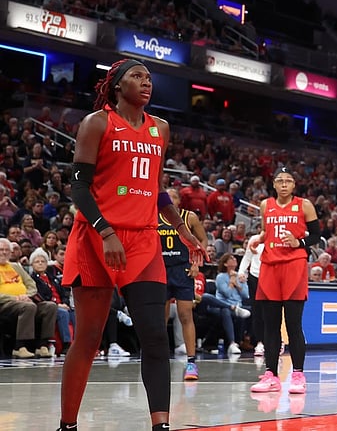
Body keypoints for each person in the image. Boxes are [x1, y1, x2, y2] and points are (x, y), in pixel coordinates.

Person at [58, 58, 204, 431]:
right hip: (96, 237)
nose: (146, 82)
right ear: (117, 85)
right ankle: (68, 425)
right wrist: (106, 232)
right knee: (88, 338)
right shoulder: (97, 123)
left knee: (154, 335)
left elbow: (156, 189)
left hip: (143, 241)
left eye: (149, 78)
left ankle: (161, 425)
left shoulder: (161, 129)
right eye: (136, 76)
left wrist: (182, 229)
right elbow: (79, 187)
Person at [250, 168, 319, 396]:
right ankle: (271, 375)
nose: (283, 184)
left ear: (294, 185)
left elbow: (317, 236)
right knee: (270, 325)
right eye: (279, 180)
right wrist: (258, 239)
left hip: (294, 265)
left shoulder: (304, 205)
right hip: (269, 265)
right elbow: (266, 231)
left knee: (293, 324)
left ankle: (298, 374)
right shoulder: (265, 205)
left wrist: (299, 243)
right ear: (273, 184)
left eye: (288, 181)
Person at [159, 186, 208, 380]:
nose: (170, 199)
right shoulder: (154, 217)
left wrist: (197, 262)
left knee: (185, 315)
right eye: (167, 196)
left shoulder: (189, 217)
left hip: (183, 270)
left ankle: (191, 362)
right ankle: (159, 358)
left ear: (179, 201)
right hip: (162, 270)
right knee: (160, 318)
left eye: (173, 196)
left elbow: (203, 240)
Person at [0, 238, 57, 357]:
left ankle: (42, 345)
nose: (4, 252)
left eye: (6, 250)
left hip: (24, 300)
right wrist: (15, 298)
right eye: (1, 250)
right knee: (28, 307)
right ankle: (19, 346)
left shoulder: (16, 266)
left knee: (50, 306)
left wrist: (27, 295)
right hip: (5, 303)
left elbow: (31, 284)